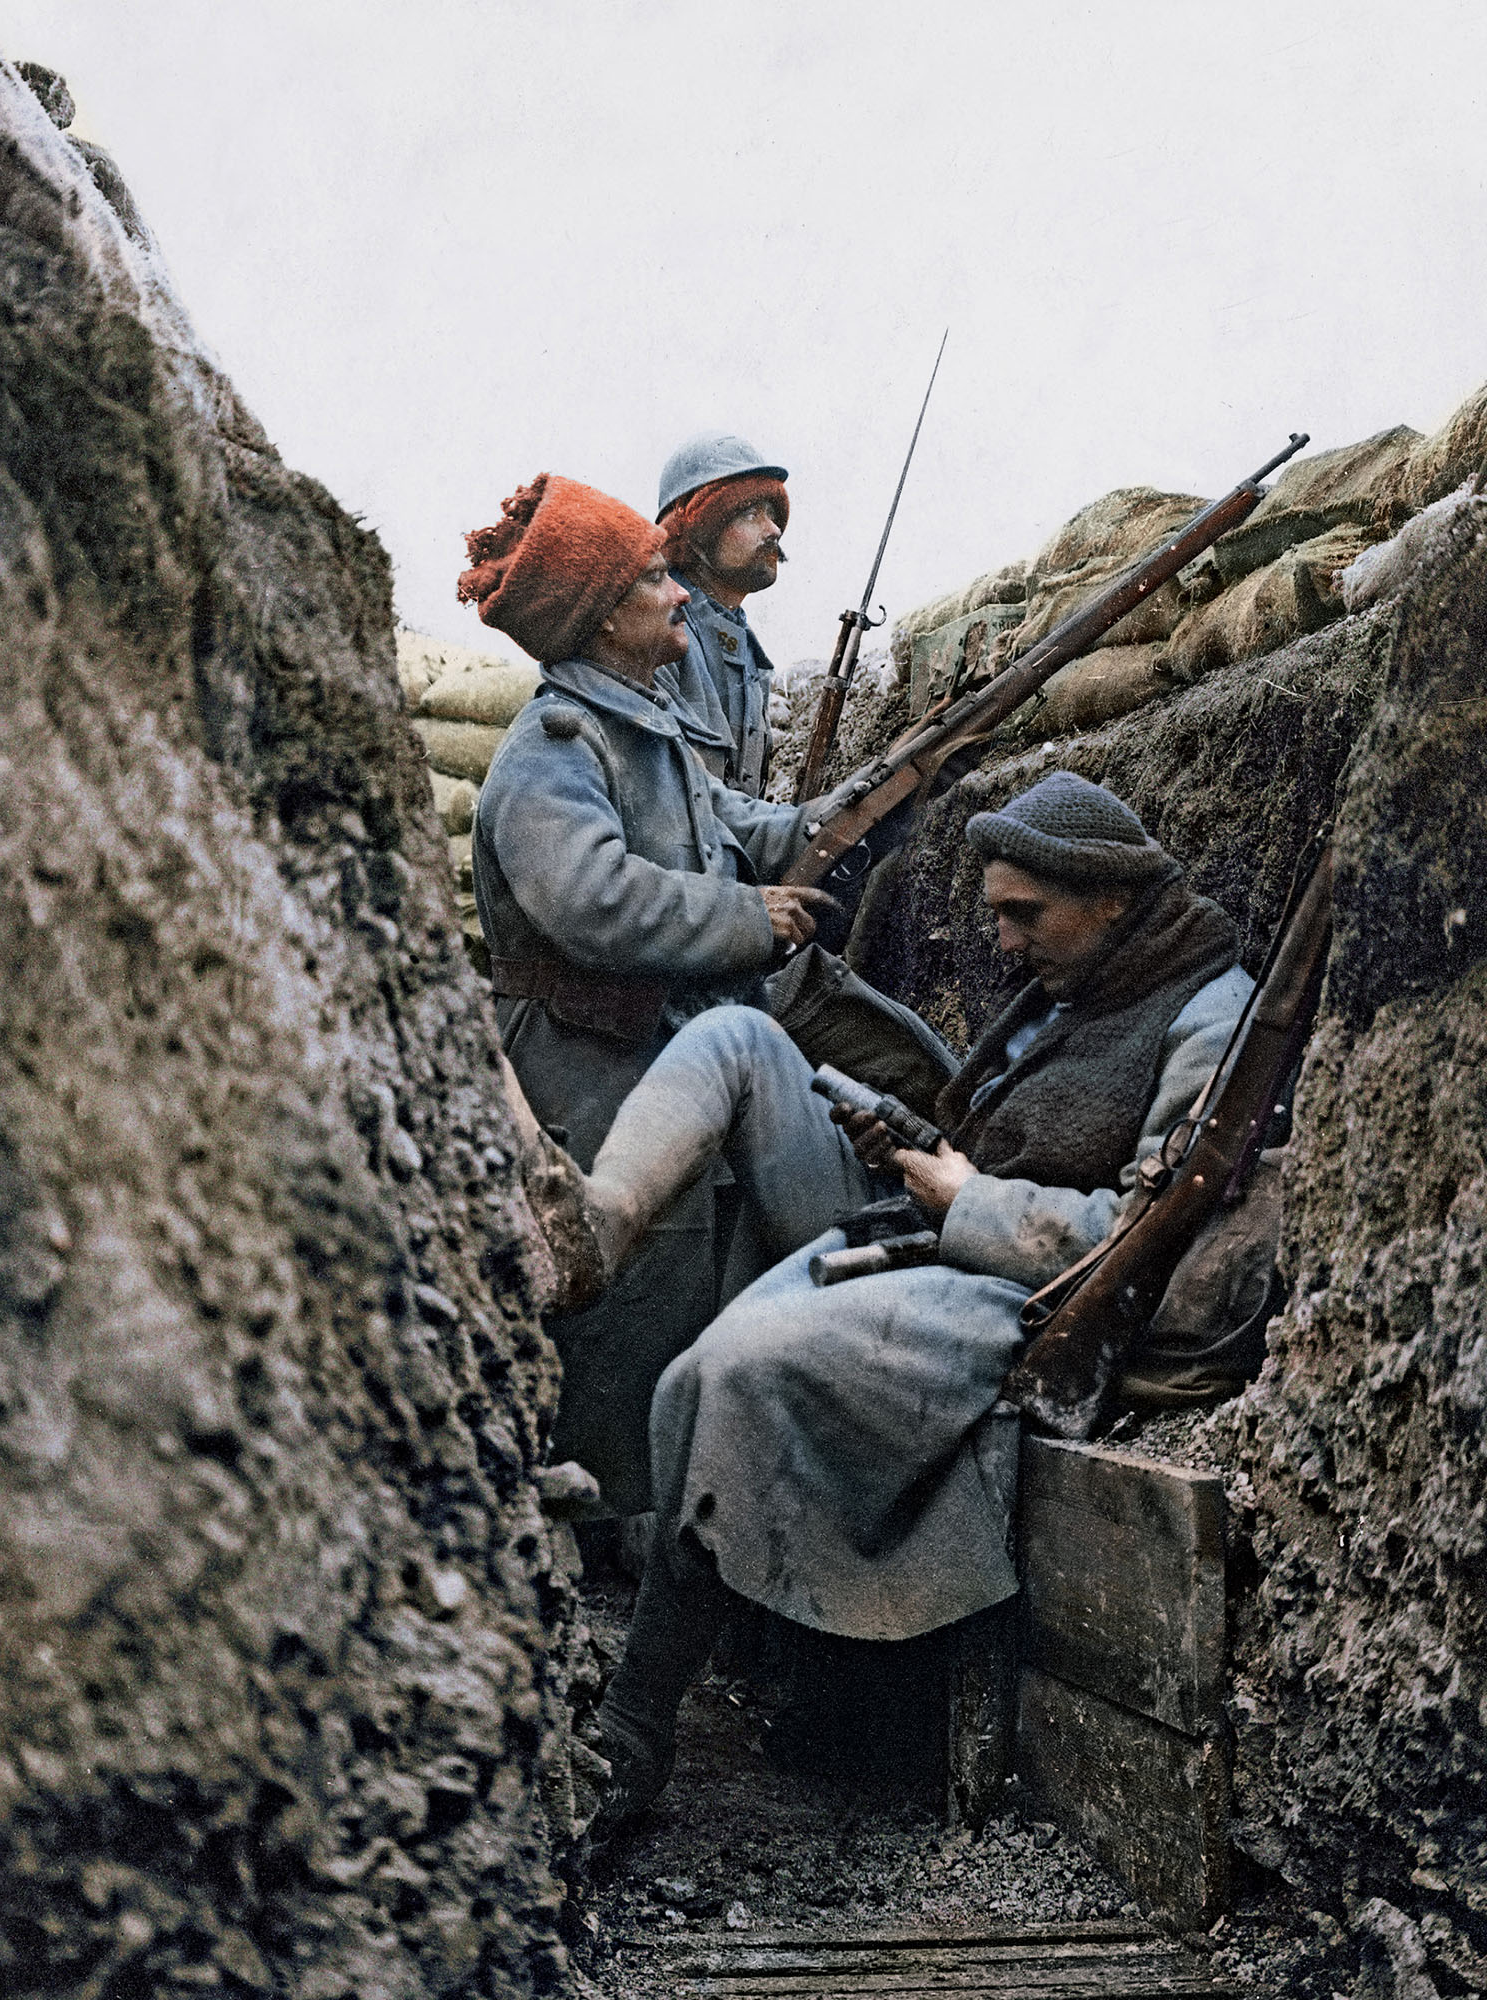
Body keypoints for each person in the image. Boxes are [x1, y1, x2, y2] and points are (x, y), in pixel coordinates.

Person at [511, 771, 1255, 1829]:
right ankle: (595, 1221)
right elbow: (1028, 1131)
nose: (1000, 941)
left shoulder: (1204, 1015)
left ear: (1109, 897)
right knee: (738, 1040)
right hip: (946, 1234)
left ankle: (634, 1726)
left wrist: (965, 1195)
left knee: (727, 1368)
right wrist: (915, 1142)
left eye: (1020, 913)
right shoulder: (1087, 976)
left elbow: (1150, 1242)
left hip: (1027, 1295)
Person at [457, 472, 837, 1515]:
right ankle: (616, 1564)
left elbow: (732, 823)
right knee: (626, 1307)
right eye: (656, 580)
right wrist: (745, 917)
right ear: (601, 615)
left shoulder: (642, 729)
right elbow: (594, 902)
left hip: (652, 1055)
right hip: (586, 1071)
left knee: (683, 1296)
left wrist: (855, 806)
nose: (679, 597)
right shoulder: (552, 751)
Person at [653, 433, 789, 797]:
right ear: (695, 531)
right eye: (751, 513)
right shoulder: (657, 636)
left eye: (773, 514)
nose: (774, 529)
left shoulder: (746, 652)